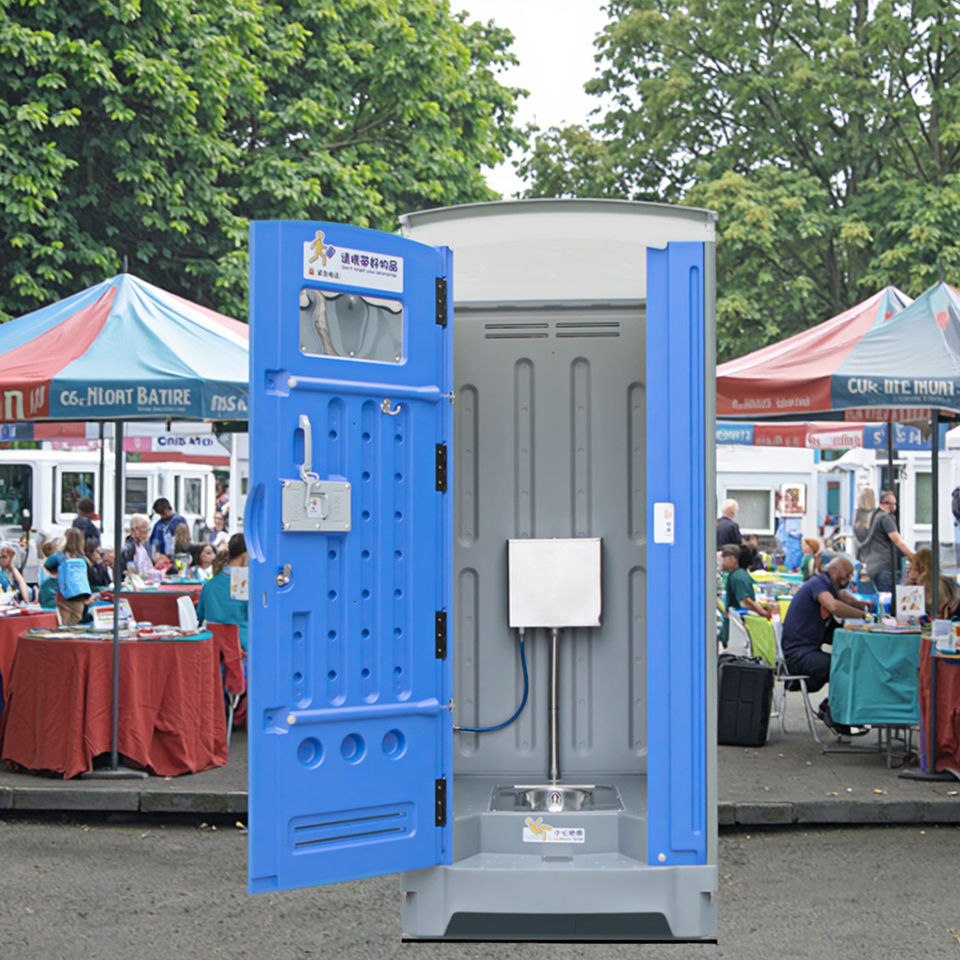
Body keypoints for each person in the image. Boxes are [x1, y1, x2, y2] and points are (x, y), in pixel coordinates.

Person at [781, 556, 871, 736]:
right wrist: (864, 616)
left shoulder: (827, 585)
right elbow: (834, 606)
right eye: (847, 575)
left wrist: (858, 604)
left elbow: (841, 596)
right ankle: (834, 713)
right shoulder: (818, 584)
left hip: (805, 652)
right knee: (842, 667)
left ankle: (832, 708)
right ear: (834, 570)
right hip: (797, 656)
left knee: (850, 663)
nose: (848, 579)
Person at [196, 533, 249, 651]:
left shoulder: (209, 586)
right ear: (246, 555)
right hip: (243, 650)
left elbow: (198, 617)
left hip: (215, 651)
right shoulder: (243, 585)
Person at [857, 490, 915, 593]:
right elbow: (898, 542)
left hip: (873, 566)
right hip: (886, 569)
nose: (894, 507)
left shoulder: (875, 516)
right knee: (888, 598)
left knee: (880, 597)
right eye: (892, 504)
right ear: (884, 504)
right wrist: (913, 558)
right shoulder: (885, 518)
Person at [719, 544, 771, 646]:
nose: (720, 562)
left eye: (722, 559)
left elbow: (745, 601)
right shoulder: (737, 575)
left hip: (737, 627)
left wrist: (764, 613)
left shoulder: (738, 577)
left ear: (732, 559)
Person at [44, 527, 94, 625]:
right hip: (80, 597)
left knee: (64, 623)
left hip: (64, 595)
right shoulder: (84, 560)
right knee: (75, 621)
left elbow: (47, 565)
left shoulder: (60, 556)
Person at [905, 547, 959, 619]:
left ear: (920, 568)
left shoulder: (922, 587)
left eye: (912, 567)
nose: (908, 571)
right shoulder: (949, 582)